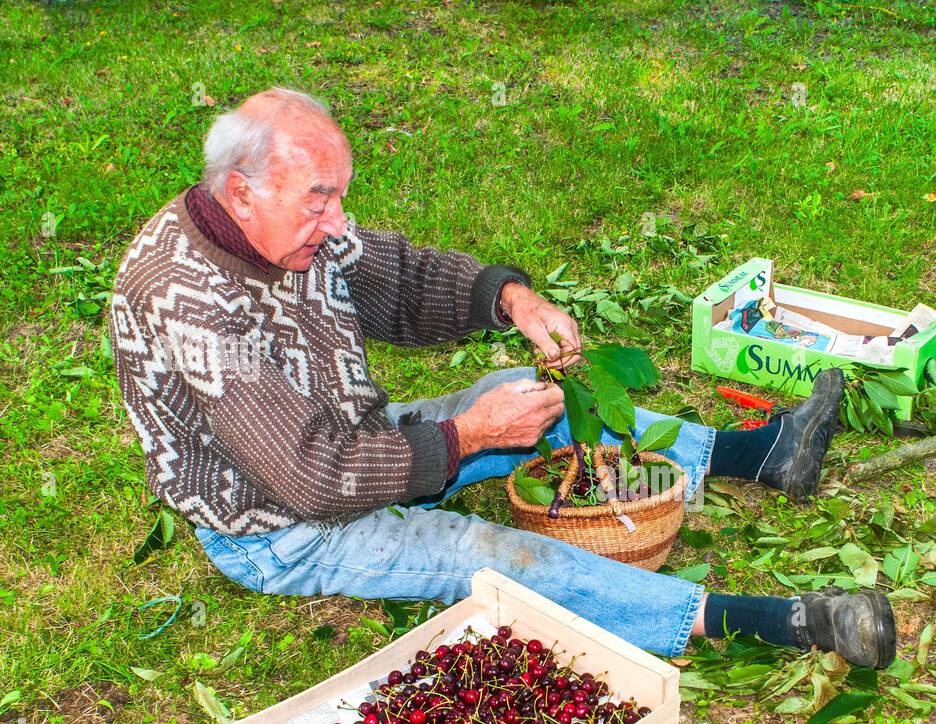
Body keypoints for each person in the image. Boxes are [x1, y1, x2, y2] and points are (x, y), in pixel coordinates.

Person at [110, 87, 895, 667]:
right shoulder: (187, 299)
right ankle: (769, 620)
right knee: (483, 551)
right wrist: (466, 438)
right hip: (281, 526)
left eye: (341, 197)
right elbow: (315, 478)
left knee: (529, 393)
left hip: (355, 440)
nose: (339, 223)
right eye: (322, 202)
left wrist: (510, 298)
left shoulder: (291, 229)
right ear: (241, 192)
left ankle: (761, 454)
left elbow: (402, 281)